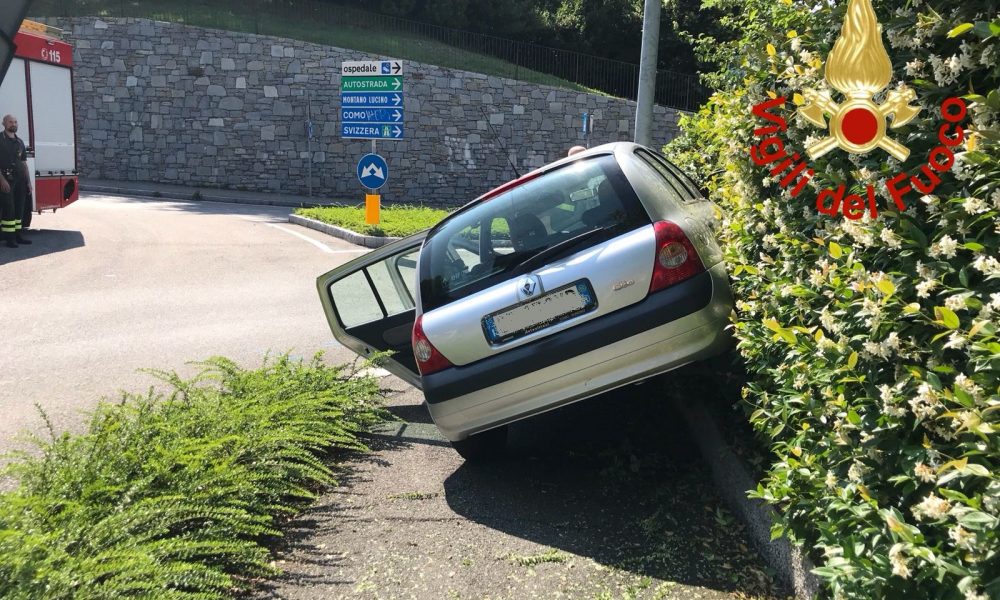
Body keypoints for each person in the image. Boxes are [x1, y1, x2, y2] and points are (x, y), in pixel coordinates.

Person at [0, 114, 30, 247]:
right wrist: (2, 180)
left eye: (15, 122)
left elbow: (24, 163)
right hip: (6, 180)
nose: (14, 124)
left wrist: (28, 182)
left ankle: (18, 235)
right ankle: (9, 238)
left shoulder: (20, 142)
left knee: (19, 208)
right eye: (11, 122)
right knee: (9, 209)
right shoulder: (0, 139)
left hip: (20, 181)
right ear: (4, 123)